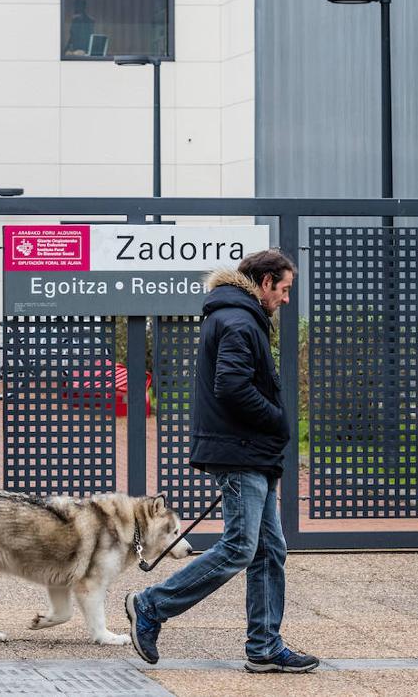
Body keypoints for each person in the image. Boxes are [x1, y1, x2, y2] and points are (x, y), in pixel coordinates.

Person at [124, 248, 319, 674]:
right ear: (265, 282)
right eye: (284, 289)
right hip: (241, 450)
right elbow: (231, 386)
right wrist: (277, 419)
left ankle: (265, 647)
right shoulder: (237, 320)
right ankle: (151, 605)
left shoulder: (237, 316)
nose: (286, 299)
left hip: (249, 450)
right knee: (239, 548)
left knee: (269, 550)